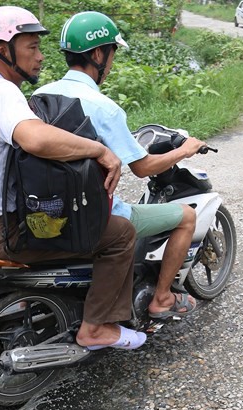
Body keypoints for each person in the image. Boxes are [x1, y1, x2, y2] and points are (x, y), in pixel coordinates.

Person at [0, 6, 145, 351]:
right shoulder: (2, 92)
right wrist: (99, 151)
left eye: (39, 48)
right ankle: (96, 328)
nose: (39, 57)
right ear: (1, 49)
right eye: (31, 47)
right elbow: (36, 139)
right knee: (120, 234)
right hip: (6, 232)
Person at [34, 11, 207, 320]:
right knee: (187, 217)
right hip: (93, 215)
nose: (111, 62)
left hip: (47, 209)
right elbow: (143, 167)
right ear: (99, 53)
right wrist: (186, 151)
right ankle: (163, 298)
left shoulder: (40, 95)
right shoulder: (104, 108)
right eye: (111, 52)